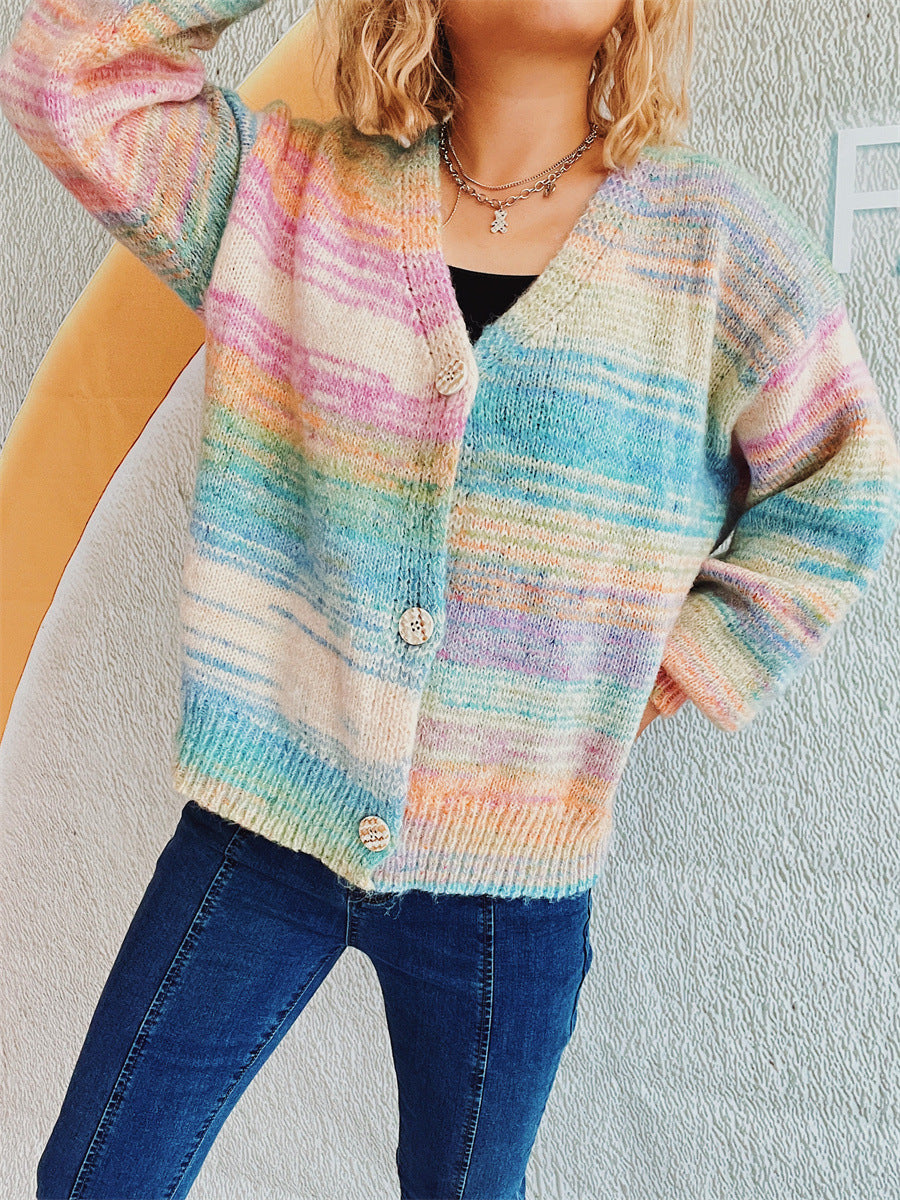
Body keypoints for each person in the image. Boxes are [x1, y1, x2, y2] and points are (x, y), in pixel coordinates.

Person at [1, 0, 898, 1197]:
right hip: (260, 830)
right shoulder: (285, 198)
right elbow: (65, 70)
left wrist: (686, 662)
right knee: (96, 1178)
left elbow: (843, 485)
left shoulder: (718, 247)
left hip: (511, 879)